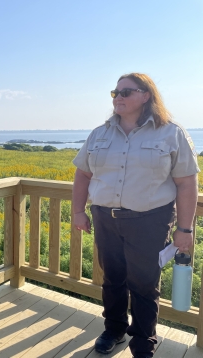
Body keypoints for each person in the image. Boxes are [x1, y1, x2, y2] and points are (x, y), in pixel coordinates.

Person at [72, 73, 199, 358]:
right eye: (115, 92)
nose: (118, 97)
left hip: (150, 220)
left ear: (146, 95)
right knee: (112, 279)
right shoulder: (99, 133)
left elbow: (187, 182)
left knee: (144, 283)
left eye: (126, 92)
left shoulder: (171, 132)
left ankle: (143, 342)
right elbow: (83, 174)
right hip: (105, 217)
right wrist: (79, 211)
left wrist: (185, 228)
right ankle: (114, 329)